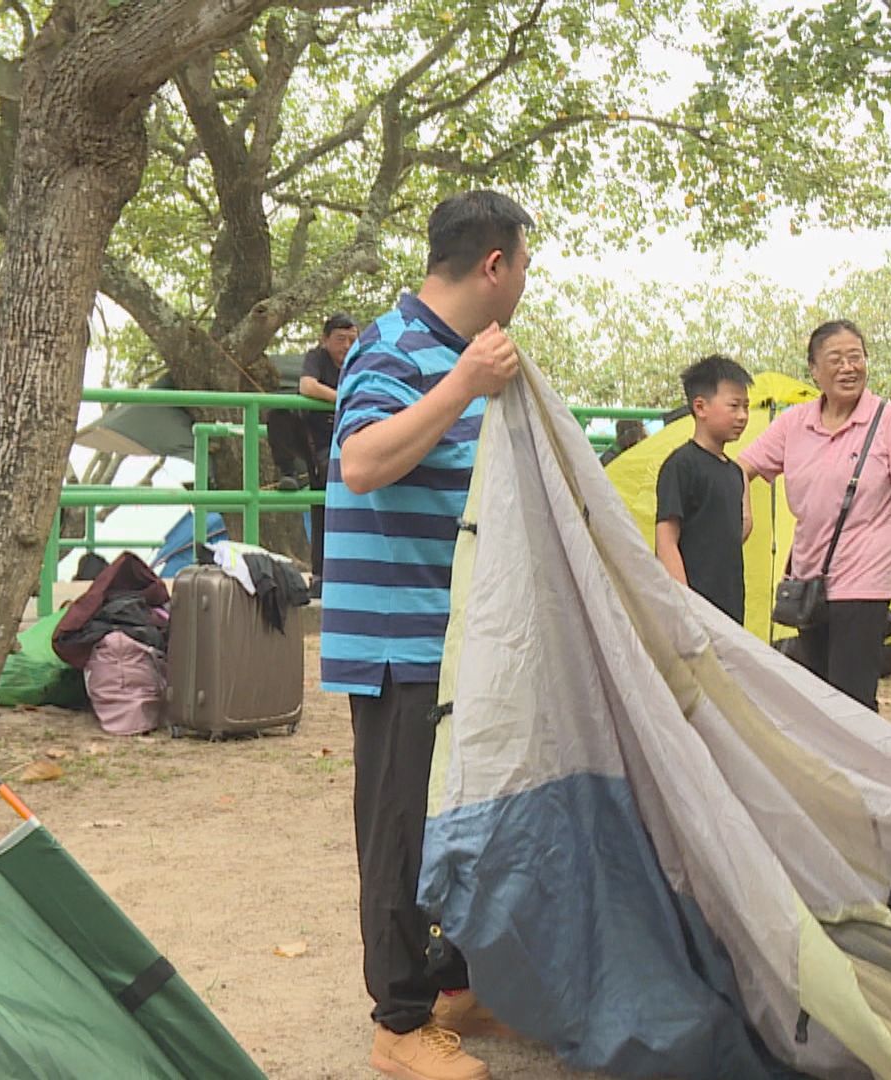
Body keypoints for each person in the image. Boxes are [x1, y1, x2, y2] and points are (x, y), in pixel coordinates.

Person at [323, 190, 534, 1080]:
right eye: (523, 265)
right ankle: (397, 1023)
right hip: (399, 644)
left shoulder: (458, 357)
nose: (525, 284)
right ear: (494, 266)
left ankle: (453, 987)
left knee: (470, 818)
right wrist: (462, 386)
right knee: (401, 830)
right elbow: (363, 461)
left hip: (459, 647)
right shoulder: (392, 346)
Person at [739, 320, 891, 711]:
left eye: (856, 357)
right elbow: (742, 465)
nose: (849, 368)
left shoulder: (890, 419)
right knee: (816, 694)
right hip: (810, 577)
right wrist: (745, 512)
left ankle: (864, 769)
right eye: (836, 359)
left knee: (853, 695)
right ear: (814, 370)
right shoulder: (795, 423)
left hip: (866, 577)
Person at [654, 355, 752, 623]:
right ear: (700, 407)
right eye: (734, 406)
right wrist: (685, 605)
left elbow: (730, 533)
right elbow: (666, 540)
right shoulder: (681, 465)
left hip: (730, 609)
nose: (743, 416)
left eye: (746, 406)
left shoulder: (734, 472)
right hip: (692, 612)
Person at [291, 313, 358, 589]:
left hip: (351, 440)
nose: (346, 346)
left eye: (352, 340)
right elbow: (307, 386)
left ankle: (341, 573)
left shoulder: (360, 359)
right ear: (325, 339)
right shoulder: (317, 358)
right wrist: (343, 398)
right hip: (317, 443)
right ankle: (321, 574)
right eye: (340, 339)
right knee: (325, 496)